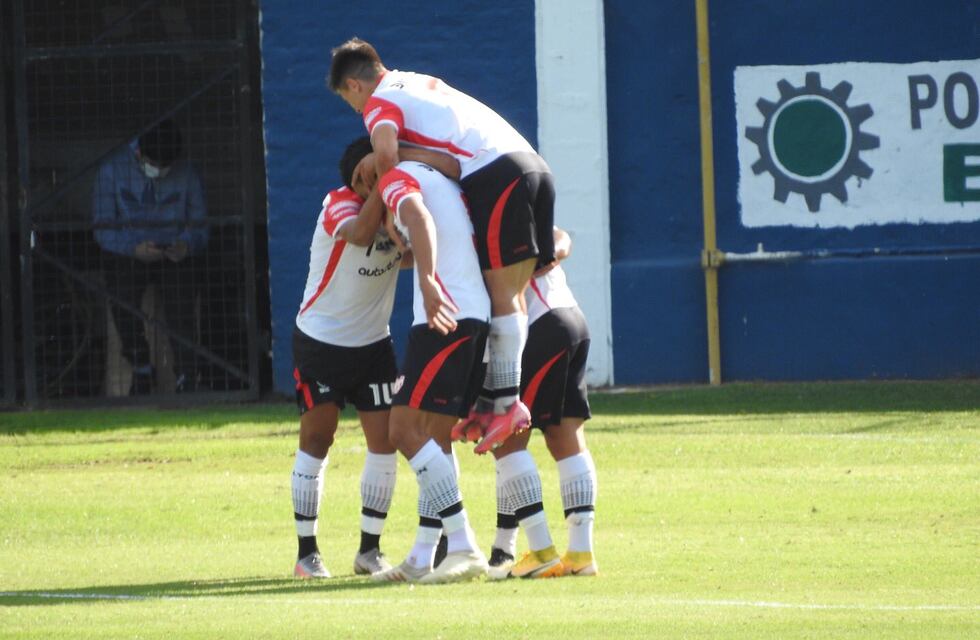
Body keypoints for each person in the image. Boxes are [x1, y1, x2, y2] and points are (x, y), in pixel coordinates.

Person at [328, 38, 556, 454]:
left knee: (502, 294)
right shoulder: (416, 82)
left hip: (495, 172)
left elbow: (384, 153)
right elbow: (448, 161)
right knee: (511, 294)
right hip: (531, 164)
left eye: (349, 101)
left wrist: (393, 213)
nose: (355, 110)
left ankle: (506, 402)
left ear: (354, 85)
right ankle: (495, 402)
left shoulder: (379, 102)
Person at [343, 138, 491, 584]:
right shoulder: (439, 178)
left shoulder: (395, 176)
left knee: (402, 429)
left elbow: (419, 219)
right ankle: (423, 555)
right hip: (469, 312)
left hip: (443, 315)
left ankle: (463, 544)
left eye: (362, 175)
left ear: (376, 155)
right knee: (435, 439)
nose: (365, 185)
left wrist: (427, 281)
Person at [463, 228, 598, 579]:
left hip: (538, 325)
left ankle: (541, 552)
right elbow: (563, 237)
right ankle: (581, 554)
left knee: (507, 439)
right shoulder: (514, 204)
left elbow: (561, 240)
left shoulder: (481, 210)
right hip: (572, 318)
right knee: (565, 437)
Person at [92, 118, 208, 394]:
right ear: (139, 154)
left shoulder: (187, 173)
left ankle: (187, 377)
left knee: (182, 308)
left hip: (174, 255)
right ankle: (141, 367)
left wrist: (186, 245)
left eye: (166, 168)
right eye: (155, 165)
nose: (160, 172)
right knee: (121, 297)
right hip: (130, 254)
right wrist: (132, 248)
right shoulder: (112, 170)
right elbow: (102, 227)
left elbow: (201, 223)